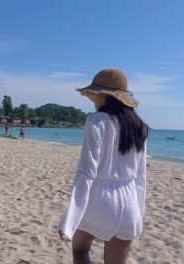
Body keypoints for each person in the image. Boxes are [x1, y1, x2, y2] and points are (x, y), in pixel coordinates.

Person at [58, 68, 149, 264]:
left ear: (102, 94)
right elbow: (141, 176)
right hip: (130, 199)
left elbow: (86, 172)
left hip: (101, 198)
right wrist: (139, 213)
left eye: (93, 93)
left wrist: (69, 219)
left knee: (80, 251)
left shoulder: (97, 121)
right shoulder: (139, 127)